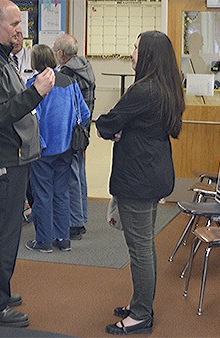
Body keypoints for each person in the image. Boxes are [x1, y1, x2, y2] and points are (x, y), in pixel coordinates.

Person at [0, 0, 55, 327]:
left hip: (9, 159)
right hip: (3, 161)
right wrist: (36, 93)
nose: (20, 30)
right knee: (2, 235)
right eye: (15, 24)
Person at [96, 30, 184, 335]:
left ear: (146, 54)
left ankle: (142, 314)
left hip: (138, 176)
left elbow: (107, 122)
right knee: (144, 244)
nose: (131, 52)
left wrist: (119, 129)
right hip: (153, 172)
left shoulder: (143, 90)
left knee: (140, 248)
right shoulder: (167, 86)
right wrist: (123, 127)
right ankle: (140, 304)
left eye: (135, 48)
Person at [25, 44, 90, 253]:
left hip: (42, 149)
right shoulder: (70, 82)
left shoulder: (32, 84)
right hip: (67, 148)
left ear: (34, 62)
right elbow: (85, 114)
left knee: (42, 194)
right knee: (62, 193)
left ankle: (44, 241)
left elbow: (28, 118)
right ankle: (63, 239)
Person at [53, 33, 96, 241]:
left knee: (71, 175)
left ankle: (75, 223)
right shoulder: (86, 66)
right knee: (80, 172)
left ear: (61, 53)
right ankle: (82, 217)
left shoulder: (68, 73)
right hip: (84, 128)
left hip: (71, 130)